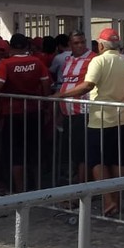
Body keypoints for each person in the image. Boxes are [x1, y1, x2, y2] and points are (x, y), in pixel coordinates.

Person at [58, 28, 124, 215]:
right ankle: (116, 200)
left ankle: (108, 201)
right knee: (118, 160)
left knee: (97, 161)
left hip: (100, 119)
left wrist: (60, 95)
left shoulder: (98, 61)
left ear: (101, 45)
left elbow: (88, 85)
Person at [0, 33, 51, 192]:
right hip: (34, 111)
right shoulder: (37, 62)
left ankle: (20, 190)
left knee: (16, 155)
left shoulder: (6, 64)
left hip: (12, 113)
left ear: (11, 47)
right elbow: (46, 85)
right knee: (35, 151)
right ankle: (38, 188)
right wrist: (45, 104)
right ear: (27, 46)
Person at [55, 31, 95, 184]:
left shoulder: (93, 59)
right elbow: (65, 83)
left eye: (82, 42)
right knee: (72, 151)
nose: (80, 46)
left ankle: (82, 186)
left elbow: (88, 85)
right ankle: (76, 182)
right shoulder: (69, 60)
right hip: (67, 112)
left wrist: (61, 95)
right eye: (76, 43)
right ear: (70, 44)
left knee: (82, 152)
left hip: (83, 111)